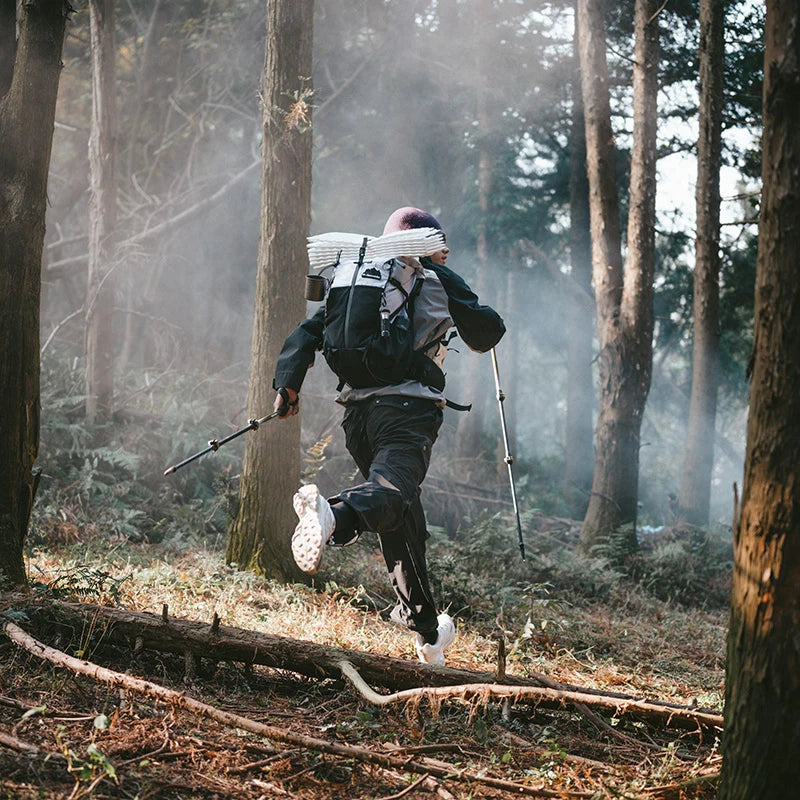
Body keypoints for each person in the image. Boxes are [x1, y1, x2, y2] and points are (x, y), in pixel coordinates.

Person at [272, 207, 505, 666]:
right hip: (407, 412)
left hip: (358, 416)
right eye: (441, 244)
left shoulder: (357, 277)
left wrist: (287, 385)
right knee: (391, 494)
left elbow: (308, 332)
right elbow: (487, 332)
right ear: (425, 242)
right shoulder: (433, 278)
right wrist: (443, 271)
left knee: (402, 518)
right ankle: (334, 515)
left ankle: (426, 631)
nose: (445, 252)